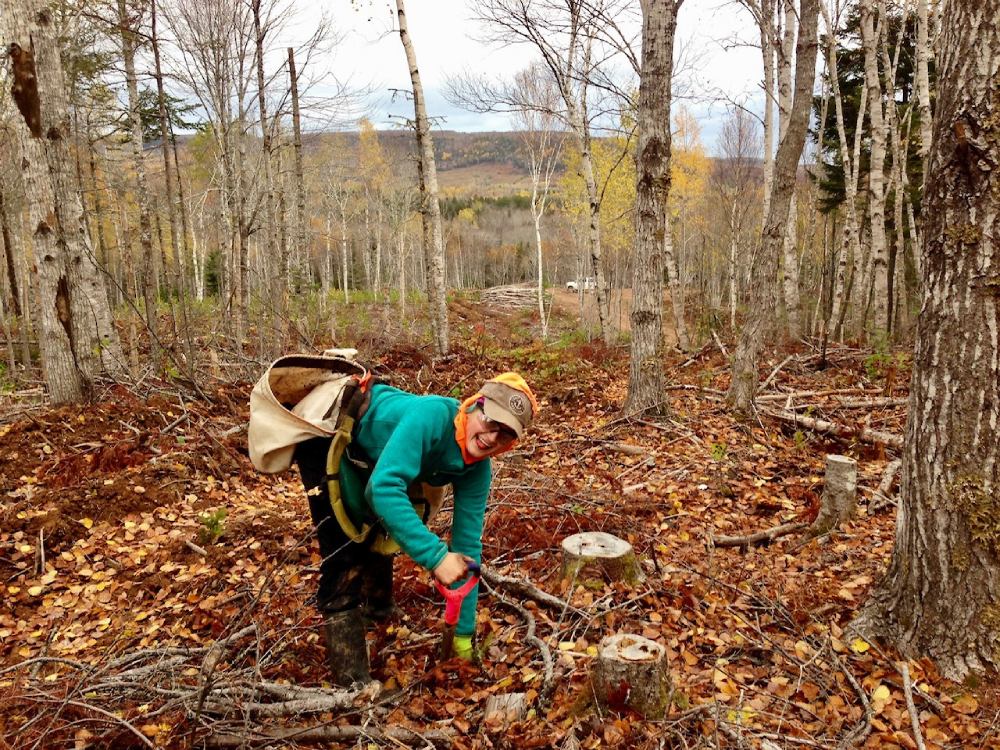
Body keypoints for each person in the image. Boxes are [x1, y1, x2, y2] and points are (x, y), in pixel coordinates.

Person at [292, 372, 538, 686]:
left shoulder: (478, 469)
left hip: (371, 456)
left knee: (383, 529)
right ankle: (352, 685)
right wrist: (436, 557)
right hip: (327, 434)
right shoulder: (433, 416)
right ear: (475, 405)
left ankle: (377, 614)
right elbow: (382, 489)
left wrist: (463, 635)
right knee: (343, 553)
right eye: (491, 421)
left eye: (504, 435)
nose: (491, 438)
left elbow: (467, 545)